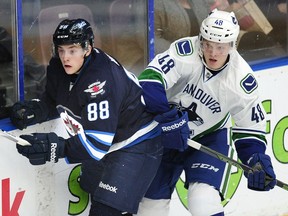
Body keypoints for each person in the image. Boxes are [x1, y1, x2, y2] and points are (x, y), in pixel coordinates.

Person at [8, 18, 187, 216]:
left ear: (88, 49)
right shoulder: (59, 67)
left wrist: (55, 147)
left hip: (136, 143)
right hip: (106, 143)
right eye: (61, 50)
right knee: (93, 189)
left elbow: (96, 144)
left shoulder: (100, 80)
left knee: (105, 210)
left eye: (73, 50)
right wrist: (38, 110)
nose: (66, 57)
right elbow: (55, 100)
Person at [135, 9, 277, 216]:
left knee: (202, 200)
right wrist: (166, 117)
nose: (212, 53)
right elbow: (149, 80)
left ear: (232, 44)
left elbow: (249, 129)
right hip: (165, 133)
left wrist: (255, 159)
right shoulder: (184, 51)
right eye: (208, 44)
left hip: (208, 138)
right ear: (201, 39)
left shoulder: (241, 80)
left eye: (220, 47)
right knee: (150, 207)